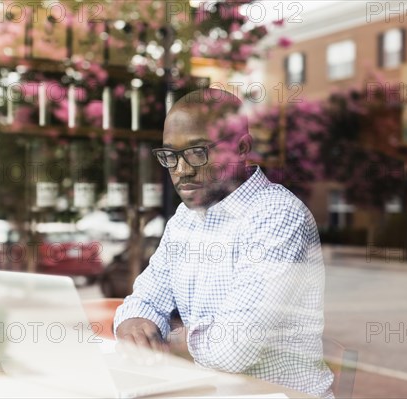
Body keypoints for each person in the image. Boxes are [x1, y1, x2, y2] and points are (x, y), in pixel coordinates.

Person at [114, 88, 334, 398]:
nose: (181, 169)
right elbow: (146, 300)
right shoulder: (184, 219)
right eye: (170, 155)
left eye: (197, 152)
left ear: (242, 147)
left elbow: (234, 348)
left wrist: (164, 341)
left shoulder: (277, 216)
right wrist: (134, 323)